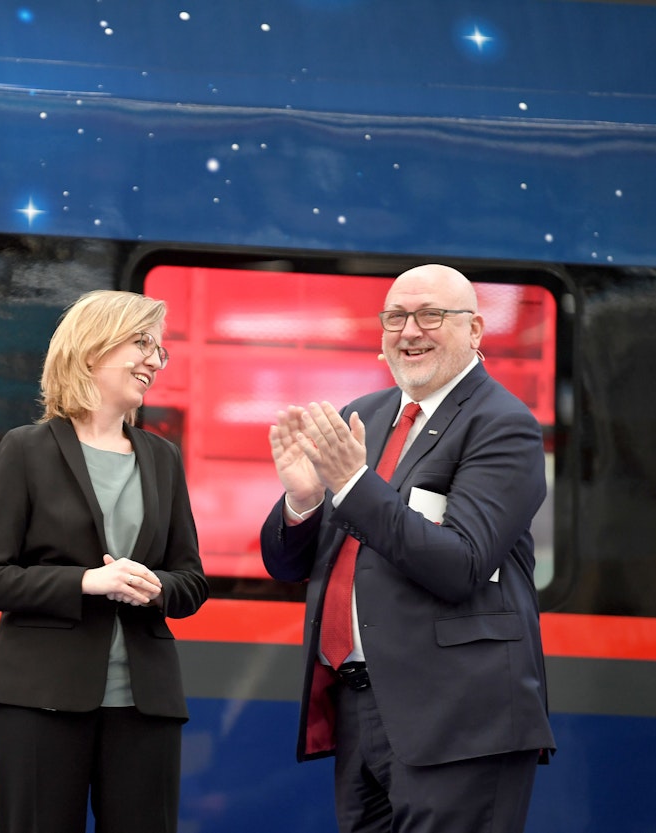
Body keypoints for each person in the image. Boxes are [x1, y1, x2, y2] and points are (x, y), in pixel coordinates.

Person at [260, 264, 555, 832]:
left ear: (474, 329)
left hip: (459, 720)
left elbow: (461, 564)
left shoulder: (504, 424)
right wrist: (304, 500)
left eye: (430, 315)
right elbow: (289, 566)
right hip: (359, 706)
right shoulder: (364, 416)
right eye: (395, 317)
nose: (410, 331)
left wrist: (352, 484)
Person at [0, 289, 209, 833]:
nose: (155, 361)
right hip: (39, 698)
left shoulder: (162, 458)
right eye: (142, 343)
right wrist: (87, 581)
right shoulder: (25, 449)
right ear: (93, 348)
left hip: (145, 704)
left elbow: (191, 580)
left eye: (160, 349)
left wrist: (158, 588)